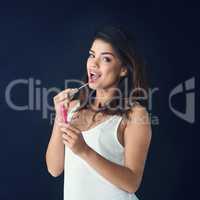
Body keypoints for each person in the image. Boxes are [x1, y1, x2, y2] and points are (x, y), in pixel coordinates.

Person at [45, 25, 152, 200]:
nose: (93, 63)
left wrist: (84, 150)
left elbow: (132, 182)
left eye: (106, 59)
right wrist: (59, 114)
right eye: (92, 55)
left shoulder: (135, 115)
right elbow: (54, 169)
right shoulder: (73, 107)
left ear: (123, 69)